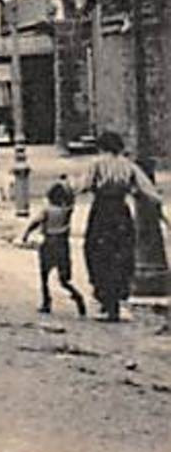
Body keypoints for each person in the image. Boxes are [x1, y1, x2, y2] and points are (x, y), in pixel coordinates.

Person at [77, 131, 157, 322]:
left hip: (101, 211)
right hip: (121, 211)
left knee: (96, 251)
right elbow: (147, 190)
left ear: (101, 146)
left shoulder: (96, 164)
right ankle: (117, 296)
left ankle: (103, 295)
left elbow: (83, 186)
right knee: (122, 253)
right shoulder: (128, 166)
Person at [21, 176, 86, 317]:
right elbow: (72, 198)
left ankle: (46, 302)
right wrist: (68, 186)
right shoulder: (67, 211)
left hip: (49, 243)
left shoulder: (47, 210)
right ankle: (77, 296)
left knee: (44, 276)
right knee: (64, 279)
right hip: (63, 244)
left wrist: (25, 235)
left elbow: (35, 222)